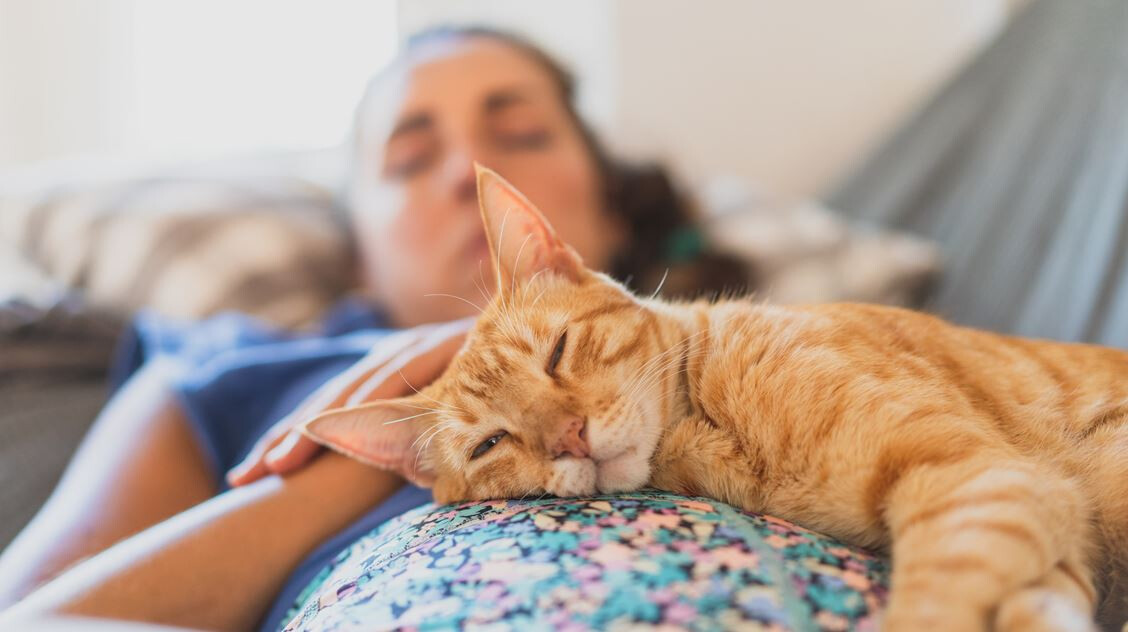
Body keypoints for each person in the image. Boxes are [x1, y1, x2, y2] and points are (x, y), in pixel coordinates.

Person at [0, 27, 748, 631]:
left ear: (609, 204)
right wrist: (405, 443)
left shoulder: (774, 341)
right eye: (410, 158)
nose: (469, 169)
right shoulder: (226, 371)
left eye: (520, 134)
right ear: (359, 251)